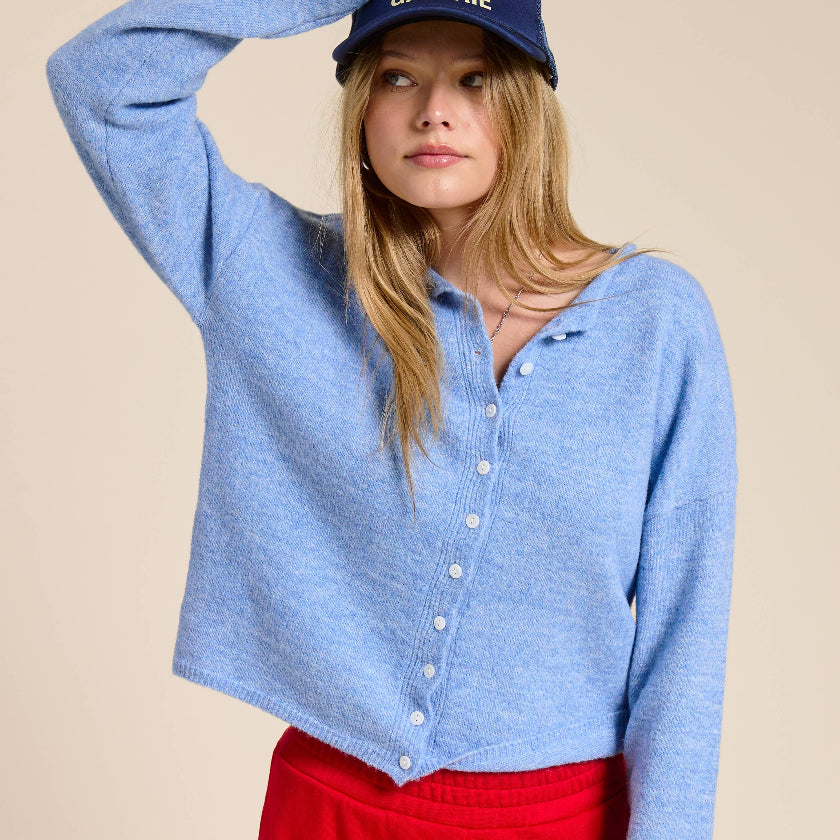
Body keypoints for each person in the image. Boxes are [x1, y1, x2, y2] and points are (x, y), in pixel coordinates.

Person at [45, 1, 739, 838]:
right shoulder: (269, 271)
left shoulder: (655, 325)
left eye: (475, 78)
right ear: (361, 113)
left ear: (529, 102)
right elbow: (101, 82)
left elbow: (684, 643)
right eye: (397, 76)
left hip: (562, 817)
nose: (433, 110)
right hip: (330, 810)